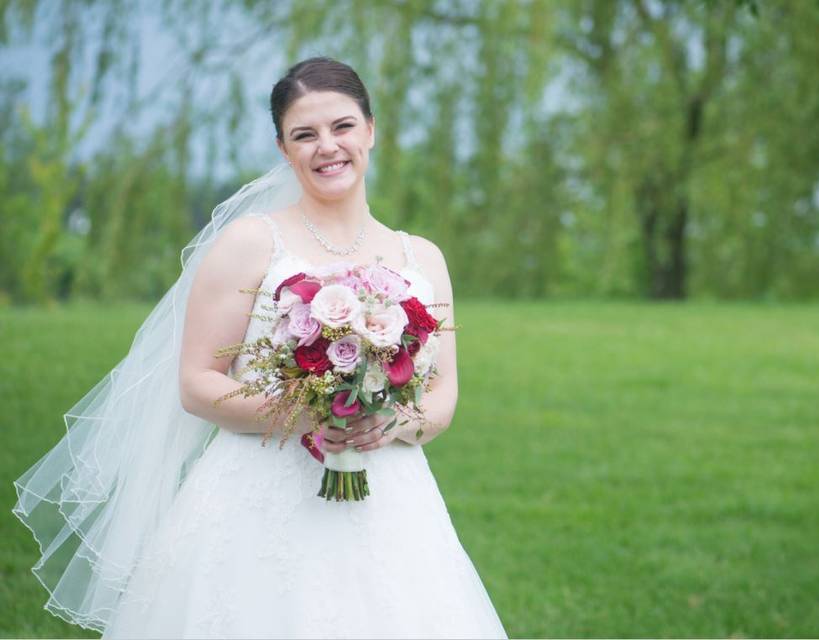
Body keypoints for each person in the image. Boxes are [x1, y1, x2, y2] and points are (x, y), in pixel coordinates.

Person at [13, 56, 507, 639]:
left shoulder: (421, 258)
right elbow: (198, 382)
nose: (328, 146)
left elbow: (443, 390)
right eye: (305, 134)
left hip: (392, 502)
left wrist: (390, 421)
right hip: (259, 500)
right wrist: (306, 412)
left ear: (371, 129)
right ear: (283, 148)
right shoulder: (251, 244)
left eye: (342, 126)